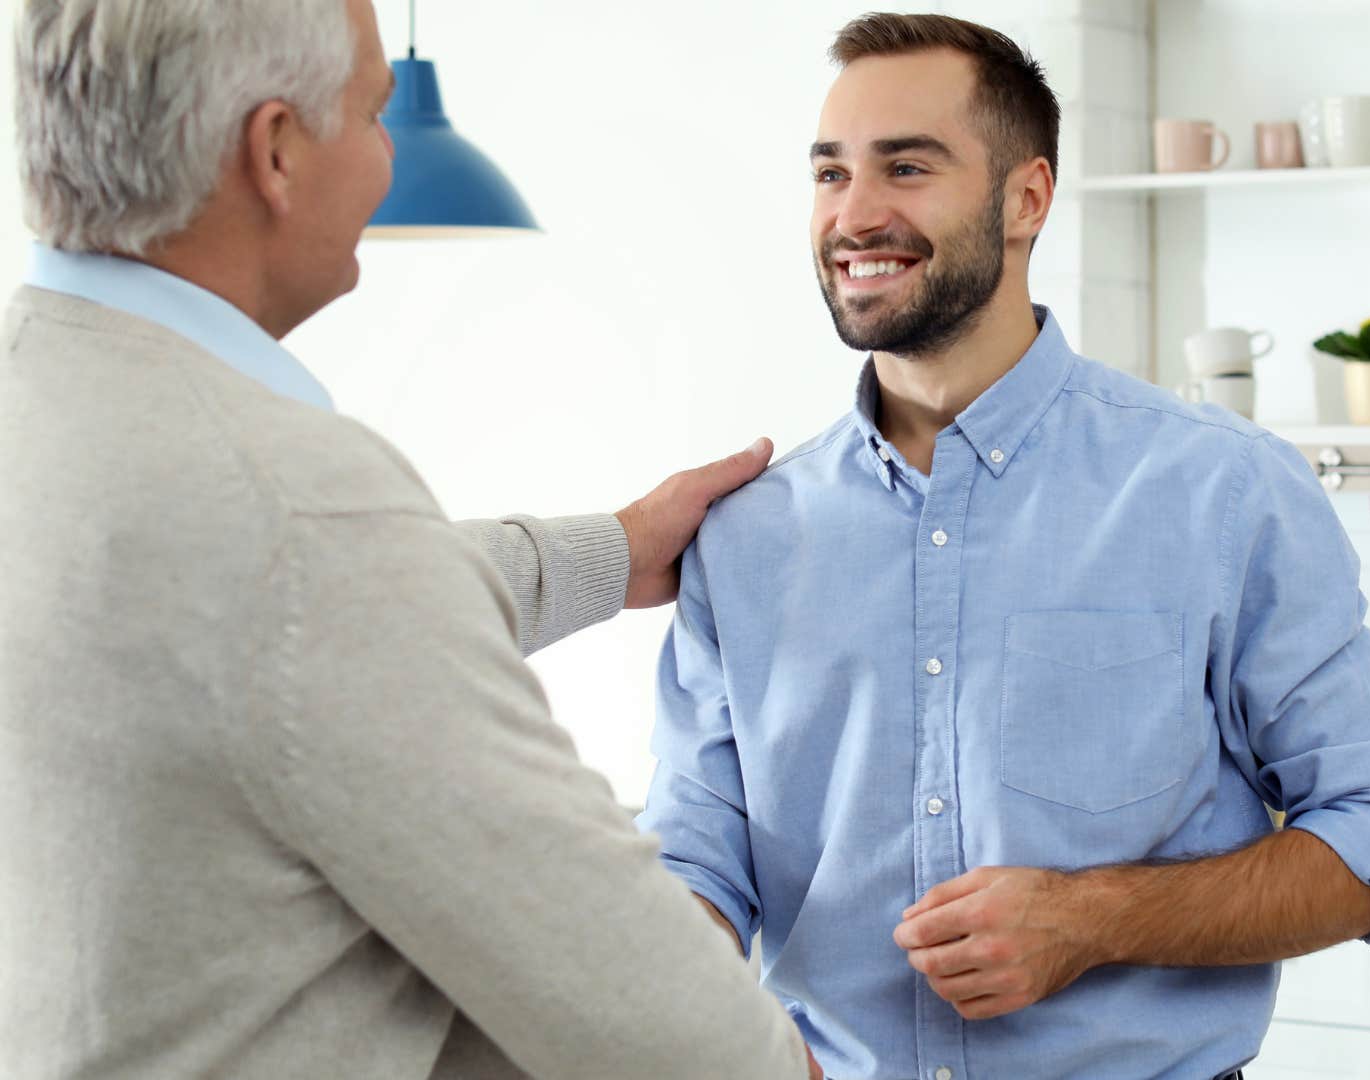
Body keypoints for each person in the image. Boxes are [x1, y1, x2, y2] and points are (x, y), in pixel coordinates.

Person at [0, 2, 815, 1076]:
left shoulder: (53, 403)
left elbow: (263, 618)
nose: (388, 157)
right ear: (277, 151)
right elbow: (680, 1033)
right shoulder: (297, 514)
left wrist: (610, 552)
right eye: (376, 111)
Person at [634, 13, 1370, 1080]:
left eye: (906, 167)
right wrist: (694, 1012)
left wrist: (1096, 917)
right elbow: (697, 847)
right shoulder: (742, 532)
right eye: (830, 175)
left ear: (1027, 198)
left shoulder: (1222, 491)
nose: (855, 214)